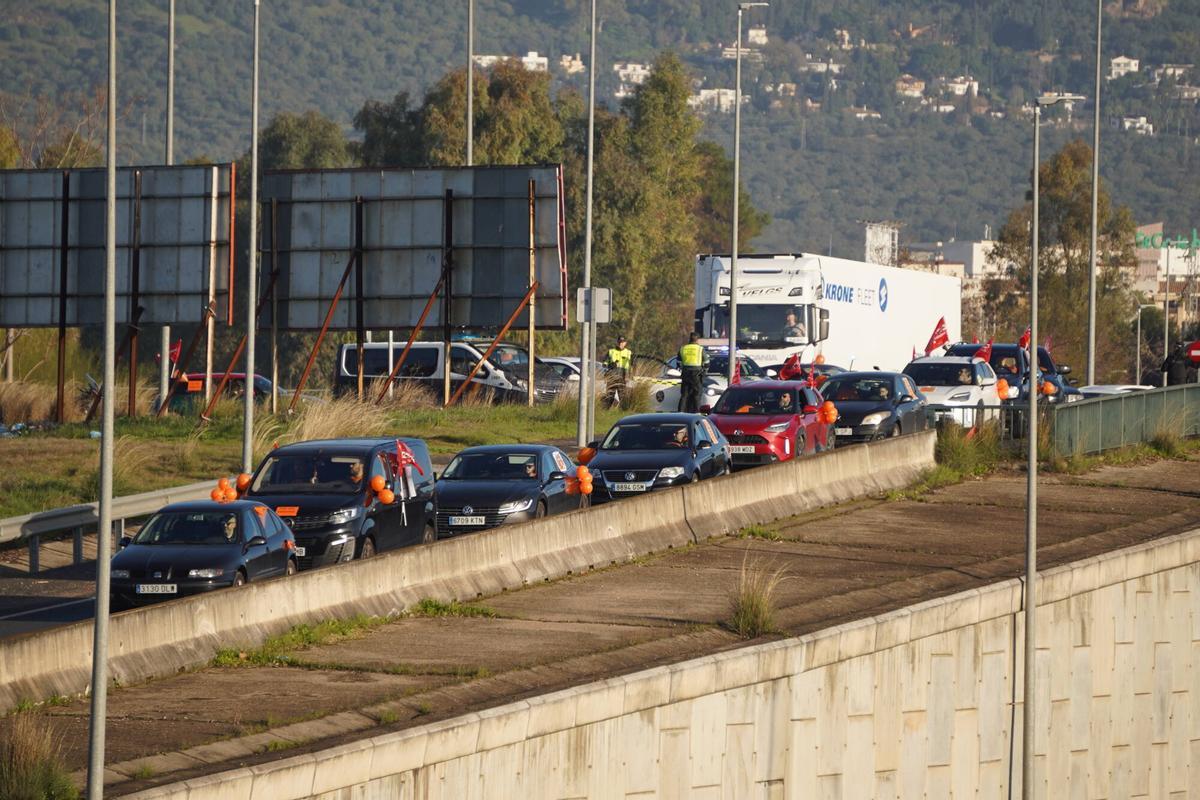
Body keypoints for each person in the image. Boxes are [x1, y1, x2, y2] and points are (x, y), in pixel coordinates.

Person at [677, 332, 708, 413]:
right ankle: (697, 414)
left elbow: (678, 363)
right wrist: (704, 372)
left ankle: (680, 413)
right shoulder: (700, 349)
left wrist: (682, 369)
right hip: (697, 375)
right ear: (697, 340)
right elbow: (707, 362)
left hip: (686, 374)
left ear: (690, 339)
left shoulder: (683, 348)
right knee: (697, 395)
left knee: (684, 396)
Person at [605, 336, 633, 406]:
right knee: (609, 397)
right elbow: (604, 364)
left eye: (622, 342)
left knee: (623, 398)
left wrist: (630, 376)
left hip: (622, 378)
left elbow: (632, 365)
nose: (621, 344)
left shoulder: (629, 353)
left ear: (625, 343)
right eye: (619, 342)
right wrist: (611, 365)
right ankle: (605, 412)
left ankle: (625, 412)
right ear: (617, 342)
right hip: (612, 378)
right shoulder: (611, 352)